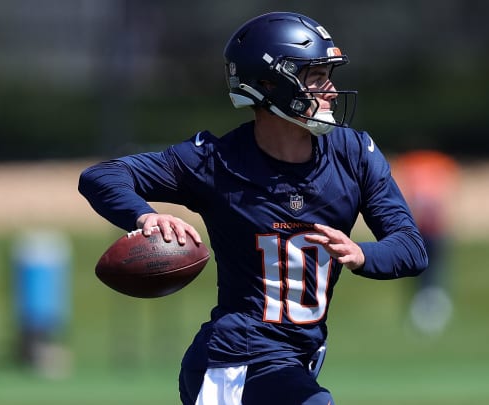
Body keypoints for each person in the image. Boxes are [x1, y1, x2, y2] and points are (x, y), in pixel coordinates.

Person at [79, 12, 428, 404]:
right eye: (315, 77)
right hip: (235, 362)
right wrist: (146, 215)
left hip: (294, 360)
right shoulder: (216, 160)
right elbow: (102, 177)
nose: (330, 90)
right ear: (269, 85)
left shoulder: (354, 155)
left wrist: (363, 253)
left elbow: (411, 247)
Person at [392, 150, 459, 336]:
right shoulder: (423, 165)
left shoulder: (434, 165)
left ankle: (433, 313)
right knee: (420, 276)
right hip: (419, 230)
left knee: (433, 275)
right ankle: (422, 314)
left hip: (432, 230)